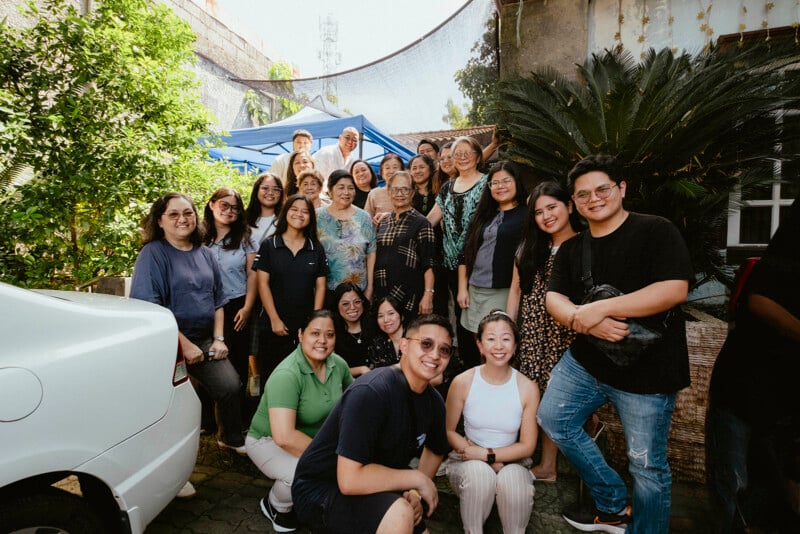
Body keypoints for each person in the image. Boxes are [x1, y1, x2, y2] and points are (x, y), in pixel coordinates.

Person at [538, 154, 692, 533]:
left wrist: (602, 309)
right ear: (574, 203)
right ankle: (610, 502)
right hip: (586, 363)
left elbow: (674, 289)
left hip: (649, 373)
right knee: (554, 419)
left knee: (647, 467)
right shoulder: (574, 248)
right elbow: (553, 299)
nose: (594, 198)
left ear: (621, 188)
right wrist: (583, 322)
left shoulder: (656, 230)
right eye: (583, 194)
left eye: (602, 189)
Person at [292, 314, 454, 534]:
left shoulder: (434, 402)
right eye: (426, 344)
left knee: (410, 518)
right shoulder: (372, 391)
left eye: (444, 350)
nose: (435, 355)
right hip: (323, 490)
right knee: (400, 516)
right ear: (404, 345)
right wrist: (416, 478)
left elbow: (436, 449)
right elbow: (349, 480)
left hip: (377, 485)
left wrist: (415, 492)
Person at [707, 194, 800, 533]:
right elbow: (759, 300)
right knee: (734, 484)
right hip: (744, 390)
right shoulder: (785, 255)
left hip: (787, 401)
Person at [130, 193, 245, 454]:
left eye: (188, 213)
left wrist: (219, 338)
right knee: (173, 405)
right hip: (168, 342)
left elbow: (218, 299)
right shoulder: (153, 254)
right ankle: (168, 464)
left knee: (230, 386)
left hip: (205, 339)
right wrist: (184, 345)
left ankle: (229, 437)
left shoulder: (205, 253)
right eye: (174, 214)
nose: (182, 219)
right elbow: (153, 309)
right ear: (159, 221)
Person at [246, 310, 353, 533]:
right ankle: (275, 505)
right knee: (304, 473)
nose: (322, 341)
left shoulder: (338, 365)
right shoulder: (287, 374)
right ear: (301, 334)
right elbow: (284, 437)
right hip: (268, 441)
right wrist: (330, 458)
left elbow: (353, 403)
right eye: (315, 333)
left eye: (329, 334)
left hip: (313, 440)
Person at [506, 180, 579, 483]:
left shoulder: (584, 245)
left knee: (556, 398)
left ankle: (549, 464)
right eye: (538, 212)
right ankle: (529, 454)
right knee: (532, 393)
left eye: (552, 207)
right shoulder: (529, 247)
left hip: (566, 333)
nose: (546, 216)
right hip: (533, 331)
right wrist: (509, 331)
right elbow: (515, 292)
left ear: (569, 207)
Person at [445, 310, 539, 534]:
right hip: (467, 460)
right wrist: (475, 453)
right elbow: (447, 430)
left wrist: (489, 456)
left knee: (514, 482)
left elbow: (527, 445)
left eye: (506, 338)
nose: (499, 346)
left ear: (515, 346)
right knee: (479, 476)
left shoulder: (527, 387)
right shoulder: (463, 381)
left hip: (512, 461)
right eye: (491, 338)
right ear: (479, 345)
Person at [457, 161, 526, 368]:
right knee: (476, 343)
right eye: (495, 183)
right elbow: (464, 254)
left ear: (517, 182)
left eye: (506, 180)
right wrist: (462, 288)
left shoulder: (526, 215)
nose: (500, 186)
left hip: (504, 290)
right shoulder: (482, 215)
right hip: (474, 290)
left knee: (498, 344)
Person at [427, 136, 488, 368]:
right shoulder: (447, 187)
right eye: (456, 153)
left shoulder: (487, 183)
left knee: (479, 316)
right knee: (463, 317)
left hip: (478, 261)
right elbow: (432, 218)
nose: (461, 157)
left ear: (477, 156)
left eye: (466, 152)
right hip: (450, 262)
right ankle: (470, 366)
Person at [253, 194, 328, 381]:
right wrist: (274, 319)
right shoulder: (270, 245)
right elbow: (262, 283)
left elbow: (320, 286)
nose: (299, 214)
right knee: (273, 377)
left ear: (311, 217)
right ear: (286, 212)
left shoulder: (315, 248)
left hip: (304, 325)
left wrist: (314, 322)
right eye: (294, 209)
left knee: (304, 377)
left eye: (305, 211)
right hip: (274, 324)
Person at [203, 188, 259, 421]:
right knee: (206, 360)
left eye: (235, 208)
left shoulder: (246, 238)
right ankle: (207, 419)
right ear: (212, 204)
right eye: (224, 205)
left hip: (236, 304)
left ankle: (236, 419)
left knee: (235, 361)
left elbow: (252, 275)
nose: (229, 211)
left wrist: (247, 307)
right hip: (205, 306)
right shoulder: (199, 237)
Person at [374, 171, 436, 319]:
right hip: (382, 290)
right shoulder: (383, 222)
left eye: (405, 189)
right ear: (388, 192)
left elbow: (430, 263)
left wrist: (428, 294)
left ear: (413, 193)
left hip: (409, 292)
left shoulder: (421, 223)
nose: (399, 194)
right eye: (395, 189)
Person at [316, 169, 376, 303]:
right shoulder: (317, 216)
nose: (346, 192)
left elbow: (371, 253)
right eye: (341, 187)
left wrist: (370, 288)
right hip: (324, 291)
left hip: (357, 291)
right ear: (330, 191)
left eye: (350, 188)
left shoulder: (364, 217)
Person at [409, 153, 449, 319]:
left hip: (439, 252)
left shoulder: (441, 190)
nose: (417, 171)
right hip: (415, 253)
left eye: (421, 167)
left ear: (431, 168)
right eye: (414, 168)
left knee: (440, 298)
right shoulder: (407, 195)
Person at [331, 282, 374, 378]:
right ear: (337, 306)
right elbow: (332, 369)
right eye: (345, 304)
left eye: (357, 302)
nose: (352, 307)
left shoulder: (374, 324)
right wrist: (361, 369)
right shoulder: (332, 332)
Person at [366, 296, 405, 370]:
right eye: (380, 316)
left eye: (391, 313)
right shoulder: (376, 344)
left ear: (401, 315)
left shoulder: (414, 337)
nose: (386, 320)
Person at [246, 172, 284, 246]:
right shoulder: (243, 218)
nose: (270, 192)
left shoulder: (285, 220)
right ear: (256, 190)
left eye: (276, 189)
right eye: (265, 188)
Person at [365, 153, 405, 221]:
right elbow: (365, 222)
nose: (391, 171)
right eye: (387, 168)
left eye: (395, 167)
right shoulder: (374, 193)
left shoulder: (409, 192)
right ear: (381, 172)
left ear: (402, 171)